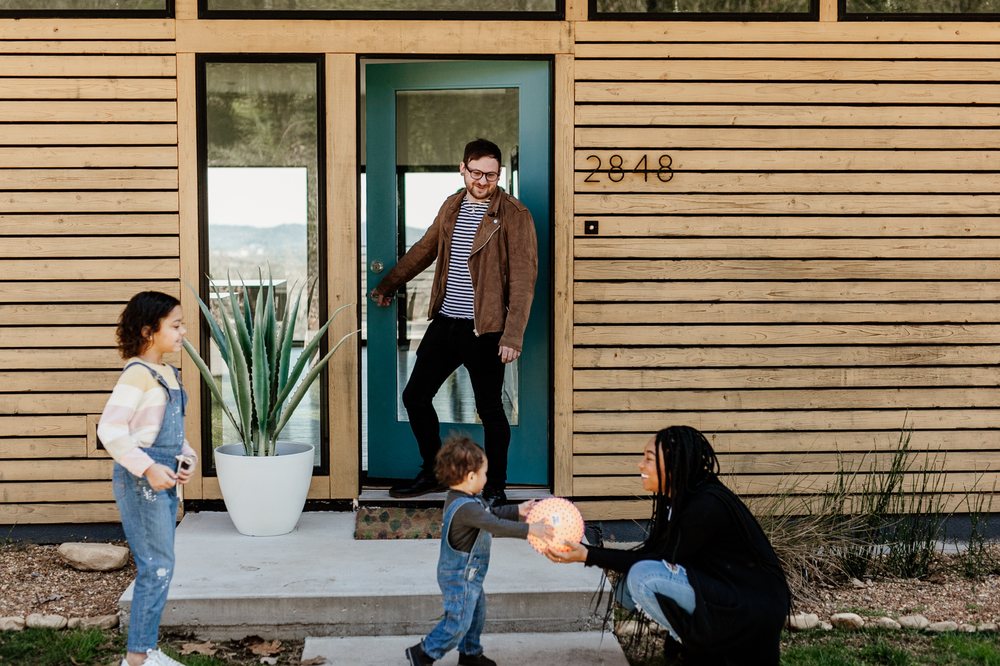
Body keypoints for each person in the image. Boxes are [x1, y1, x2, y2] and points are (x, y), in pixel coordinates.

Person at [370, 137, 538, 506]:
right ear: (463, 169)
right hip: (447, 323)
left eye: (490, 175)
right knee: (415, 396)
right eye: (476, 173)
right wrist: (388, 284)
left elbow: (524, 280)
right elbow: (424, 250)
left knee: (490, 409)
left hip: (486, 329)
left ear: (499, 174)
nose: (483, 181)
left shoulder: (515, 214)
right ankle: (435, 473)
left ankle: (495, 486)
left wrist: (513, 335)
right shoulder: (452, 205)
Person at [546, 426, 790, 665]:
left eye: (649, 459)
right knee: (626, 588)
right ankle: (697, 644)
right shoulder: (679, 498)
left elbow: (656, 560)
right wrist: (588, 554)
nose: (640, 465)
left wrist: (587, 554)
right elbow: (655, 554)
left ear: (674, 463)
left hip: (751, 605)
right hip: (722, 589)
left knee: (644, 576)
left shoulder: (706, 504)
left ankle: (702, 648)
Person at [98, 291, 198, 666]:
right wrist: (149, 468)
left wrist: (186, 458)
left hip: (161, 478)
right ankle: (138, 658)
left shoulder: (169, 374)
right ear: (147, 331)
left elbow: (168, 433)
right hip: (141, 480)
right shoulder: (137, 375)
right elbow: (110, 430)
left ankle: (144, 651)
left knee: (161, 566)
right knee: (155, 566)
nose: (183, 332)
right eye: (175, 325)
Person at [406, 435, 554, 666]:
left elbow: (490, 514)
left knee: (476, 615)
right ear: (471, 477)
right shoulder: (465, 508)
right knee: (458, 622)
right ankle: (424, 652)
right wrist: (530, 529)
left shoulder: (468, 499)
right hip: (458, 576)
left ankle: (470, 654)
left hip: (469, 575)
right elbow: (494, 524)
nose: (487, 478)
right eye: (484, 473)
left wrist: (517, 509)